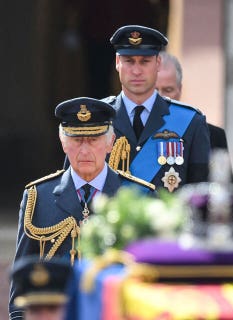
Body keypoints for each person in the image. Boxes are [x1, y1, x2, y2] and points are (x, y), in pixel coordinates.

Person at [10, 97, 155, 320]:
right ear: (63, 142)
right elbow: (22, 290)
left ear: (110, 142)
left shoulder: (139, 195)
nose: (85, 150)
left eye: (94, 139)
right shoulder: (38, 196)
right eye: (77, 140)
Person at [106, 25, 210, 192]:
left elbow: (200, 193)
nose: (137, 70)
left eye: (145, 61)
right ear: (118, 63)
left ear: (158, 63)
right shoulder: (98, 119)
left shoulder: (190, 122)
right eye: (129, 61)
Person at [155, 51, 231, 156]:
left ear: (180, 89)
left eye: (168, 90)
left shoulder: (213, 136)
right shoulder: (130, 134)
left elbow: (220, 172)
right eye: (153, 90)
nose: (161, 97)